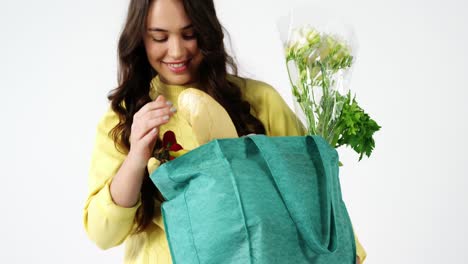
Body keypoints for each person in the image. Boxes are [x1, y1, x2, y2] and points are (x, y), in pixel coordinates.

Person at [83, 0, 367, 263]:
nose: (177, 51)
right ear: (139, 38)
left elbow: (317, 194)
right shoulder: (124, 118)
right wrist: (135, 157)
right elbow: (103, 234)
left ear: (207, 31)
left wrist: (348, 254)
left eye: (189, 34)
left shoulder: (260, 101)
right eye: (159, 37)